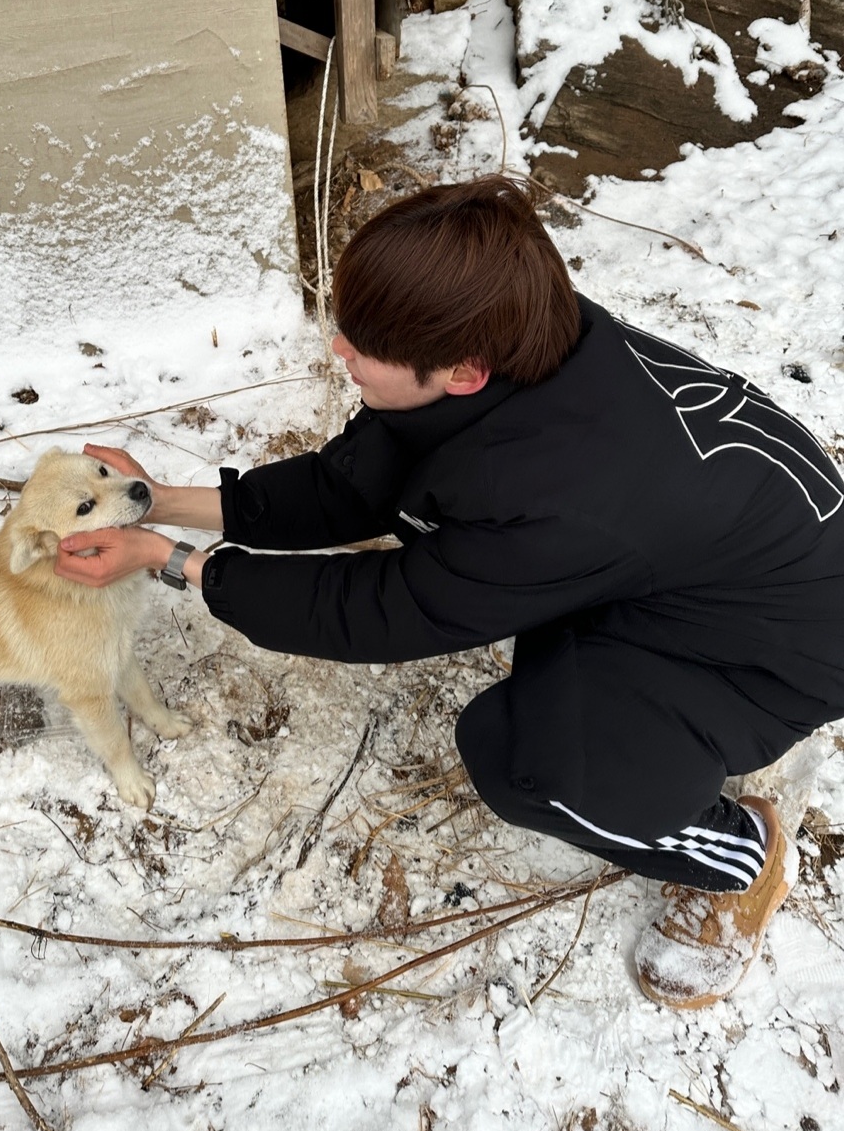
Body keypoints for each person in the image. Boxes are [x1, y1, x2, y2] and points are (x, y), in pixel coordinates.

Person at [54, 176, 844, 1010]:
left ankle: (740, 854)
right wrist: (166, 504)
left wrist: (172, 562)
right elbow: (355, 480)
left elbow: (383, 608)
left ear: (462, 371)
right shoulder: (519, 340)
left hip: (766, 652)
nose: (338, 351)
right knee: (528, 649)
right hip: (685, 568)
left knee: (529, 761)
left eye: (362, 345)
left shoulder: (562, 496)